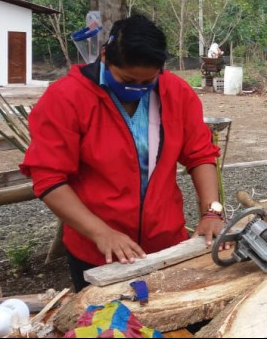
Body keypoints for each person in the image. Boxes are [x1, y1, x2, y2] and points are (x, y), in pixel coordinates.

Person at [20, 15, 226, 292]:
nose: (137, 89)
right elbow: (49, 178)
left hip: (167, 245)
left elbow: (200, 155)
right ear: (105, 56)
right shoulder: (67, 98)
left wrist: (212, 212)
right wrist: (100, 232)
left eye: (148, 81)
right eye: (127, 80)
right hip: (97, 252)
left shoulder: (176, 92)